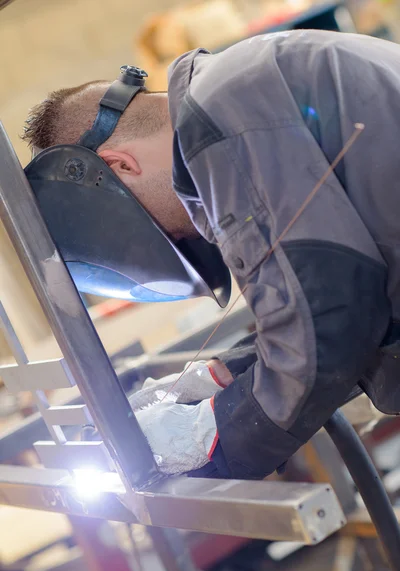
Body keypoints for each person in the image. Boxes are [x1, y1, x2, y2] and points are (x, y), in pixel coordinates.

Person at [22, 29, 400, 480]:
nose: (183, 238)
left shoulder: (222, 115)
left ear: (122, 165)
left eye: (163, 234)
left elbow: (331, 318)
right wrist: (223, 374)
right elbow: (335, 298)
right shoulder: (239, 90)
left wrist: (214, 433)